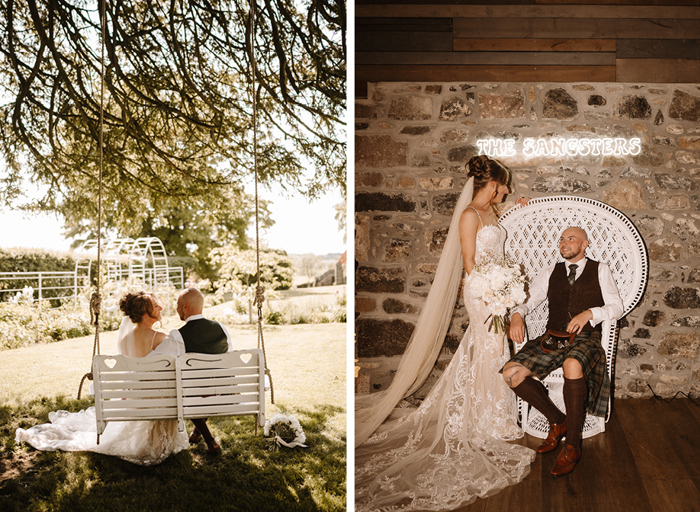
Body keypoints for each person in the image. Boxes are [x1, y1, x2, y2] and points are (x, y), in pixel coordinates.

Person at [355, 156, 535, 511]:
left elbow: (496, 249)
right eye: (504, 185)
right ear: (491, 184)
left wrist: (517, 208)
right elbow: (471, 264)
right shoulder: (469, 215)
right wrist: (495, 293)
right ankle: (485, 422)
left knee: (496, 352)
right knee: (490, 350)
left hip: (497, 289)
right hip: (482, 291)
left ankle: (493, 416)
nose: (508, 190)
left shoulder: (492, 213)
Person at [15, 291, 189, 466]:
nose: (161, 307)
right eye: (156, 305)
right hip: (151, 400)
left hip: (132, 399)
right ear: (145, 315)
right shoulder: (159, 338)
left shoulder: (125, 339)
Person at [502, 226, 623, 476]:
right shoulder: (550, 272)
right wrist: (516, 315)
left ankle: (573, 446)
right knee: (511, 373)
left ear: (584, 244)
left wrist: (591, 313)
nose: (564, 243)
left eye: (570, 239)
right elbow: (530, 300)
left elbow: (616, 307)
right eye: (561, 240)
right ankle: (558, 420)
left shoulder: (600, 270)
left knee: (572, 364)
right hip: (553, 338)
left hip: (586, 338)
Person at [153, 287, 233, 455]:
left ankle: (209, 440)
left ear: (185, 306)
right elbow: (229, 359)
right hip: (222, 391)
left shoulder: (178, 336)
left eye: (177, 305)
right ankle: (197, 433)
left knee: (183, 389)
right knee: (204, 388)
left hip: (194, 395)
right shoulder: (222, 328)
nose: (176, 309)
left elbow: (154, 360)